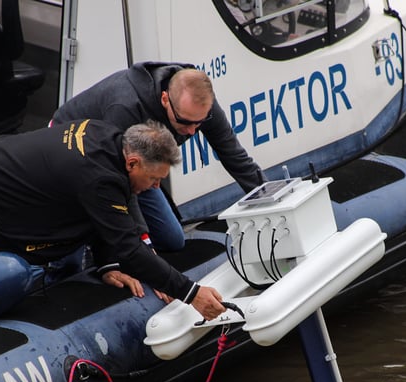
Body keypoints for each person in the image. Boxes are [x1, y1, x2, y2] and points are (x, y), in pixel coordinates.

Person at [0, 118, 226, 321]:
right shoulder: (99, 176)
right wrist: (191, 293)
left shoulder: (112, 138)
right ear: (133, 163)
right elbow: (130, 250)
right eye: (153, 178)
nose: (155, 187)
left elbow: (106, 213)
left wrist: (107, 262)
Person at [52, 62, 265, 251]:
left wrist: (268, 197)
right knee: (84, 243)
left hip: (131, 165)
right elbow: (119, 177)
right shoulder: (126, 108)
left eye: (198, 123)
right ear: (165, 99)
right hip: (73, 153)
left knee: (172, 240)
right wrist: (144, 245)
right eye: (184, 122)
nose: (192, 131)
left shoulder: (199, 104)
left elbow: (233, 154)